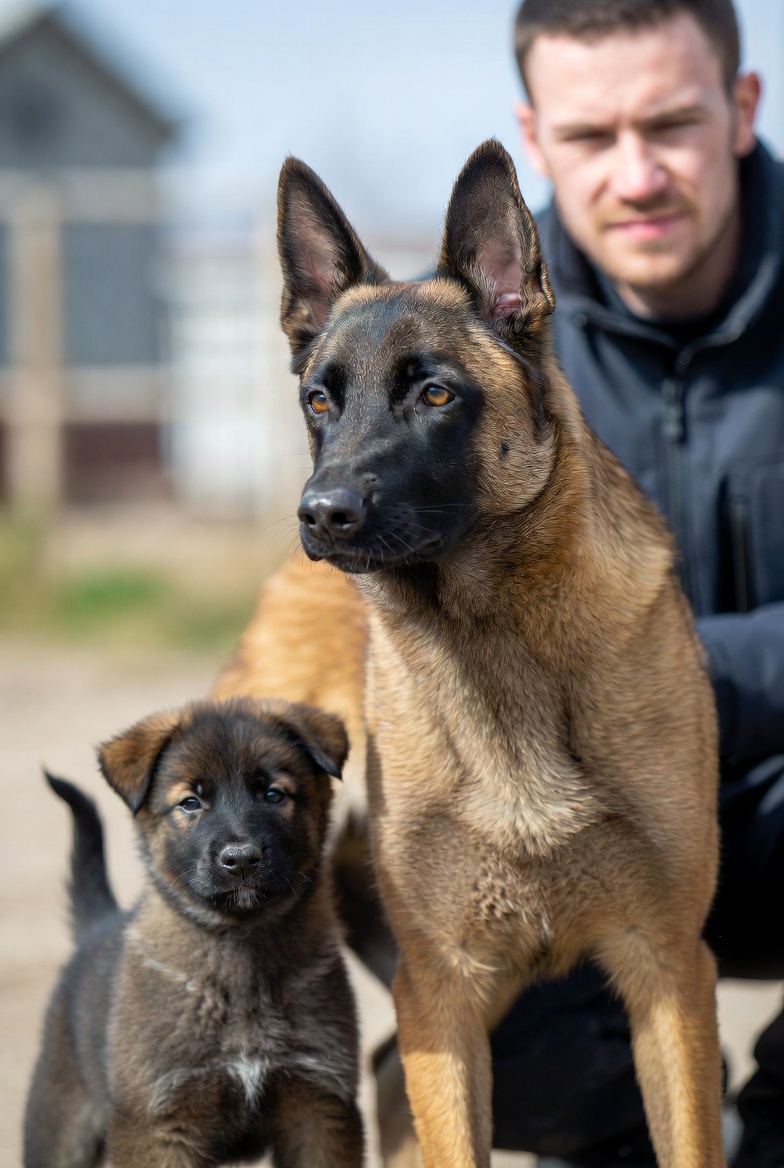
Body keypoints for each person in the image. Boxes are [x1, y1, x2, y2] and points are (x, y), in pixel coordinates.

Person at [485, 2, 784, 1166]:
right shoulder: (456, 355)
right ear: (532, 138)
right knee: (519, 1047)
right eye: (592, 135)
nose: (637, 173)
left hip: (768, 816)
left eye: (670, 124)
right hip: (569, 826)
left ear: (742, 108)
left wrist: (647, 673)